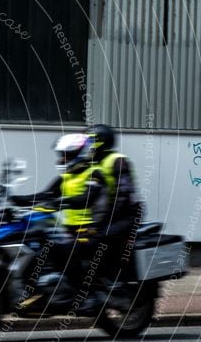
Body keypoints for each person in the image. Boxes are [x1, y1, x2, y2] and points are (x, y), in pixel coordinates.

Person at [13, 125, 142, 311]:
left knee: (73, 249)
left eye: (90, 142)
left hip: (115, 218)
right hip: (86, 222)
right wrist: (15, 200)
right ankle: (45, 292)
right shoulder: (74, 172)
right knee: (50, 245)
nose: (88, 146)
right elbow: (46, 194)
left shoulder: (111, 163)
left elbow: (117, 196)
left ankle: (87, 295)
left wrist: (103, 221)